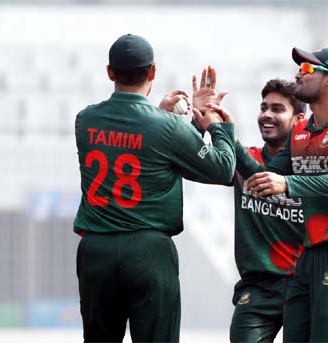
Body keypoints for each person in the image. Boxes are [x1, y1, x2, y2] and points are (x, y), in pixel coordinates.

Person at [210, 46, 328, 343]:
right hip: (310, 252)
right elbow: (265, 177)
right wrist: (223, 130)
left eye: (306, 70)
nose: (297, 74)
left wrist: (288, 184)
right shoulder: (301, 133)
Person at [73, 34, 236, 343]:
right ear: (153, 72)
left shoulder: (85, 120)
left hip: (96, 251)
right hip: (149, 251)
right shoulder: (166, 127)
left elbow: (144, 147)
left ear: (110, 72)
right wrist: (215, 124)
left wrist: (165, 117)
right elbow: (223, 169)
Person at [229, 79, 305, 343]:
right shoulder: (243, 159)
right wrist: (199, 121)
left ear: (299, 119)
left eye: (277, 108)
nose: (267, 115)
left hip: (303, 287)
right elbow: (196, 162)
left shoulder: (311, 167)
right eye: (263, 107)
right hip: (257, 288)